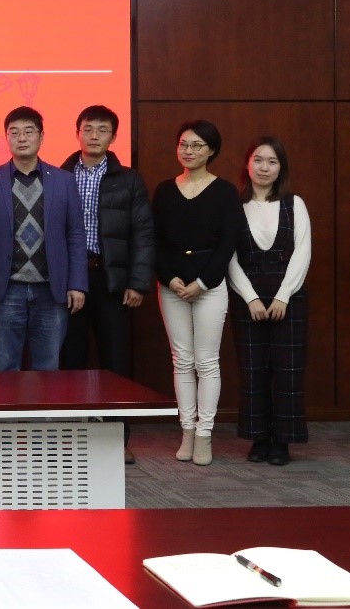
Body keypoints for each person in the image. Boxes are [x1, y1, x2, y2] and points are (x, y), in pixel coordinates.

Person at [59, 106, 155, 463]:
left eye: (103, 130)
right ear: (77, 133)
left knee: (114, 361)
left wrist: (138, 282)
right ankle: (71, 437)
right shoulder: (59, 175)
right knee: (70, 359)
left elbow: (143, 233)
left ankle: (117, 439)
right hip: (70, 278)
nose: (94, 135)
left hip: (111, 279)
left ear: (114, 137)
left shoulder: (129, 179)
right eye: (88, 128)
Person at [152, 119, 242, 466]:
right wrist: (169, 277)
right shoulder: (164, 190)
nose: (188, 151)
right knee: (182, 360)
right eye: (183, 144)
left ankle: (204, 433)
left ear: (211, 151)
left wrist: (203, 282)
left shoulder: (225, 192)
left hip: (210, 286)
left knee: (206, 362)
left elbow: (227, 243)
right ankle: (186, 430)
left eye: (196, 145)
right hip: (171, 285)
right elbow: (155, 240)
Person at [0, 107, 87, 371]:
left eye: (29, 131)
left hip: (52, 289)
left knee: (48, 366)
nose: (22, 138)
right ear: (6, 138)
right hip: (6, 289)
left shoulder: (64, 181)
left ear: (41, 137)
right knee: (4, 366)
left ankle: (45, 405)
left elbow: (75, 234)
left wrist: (77, 284)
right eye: (14, 132)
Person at [228, 137, 311, 466]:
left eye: (272, 162)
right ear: (248, 164)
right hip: (246, 296)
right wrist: (250, 297)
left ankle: (282, 443)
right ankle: (259, 439)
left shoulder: (294, 203)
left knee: (288, 370)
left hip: (288, 296)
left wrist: (282, 296)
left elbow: (302, 253)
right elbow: (228, 258)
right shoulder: (234, 205)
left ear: (281, 168)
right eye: (258, 160)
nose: (264, 167)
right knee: (253, 370)